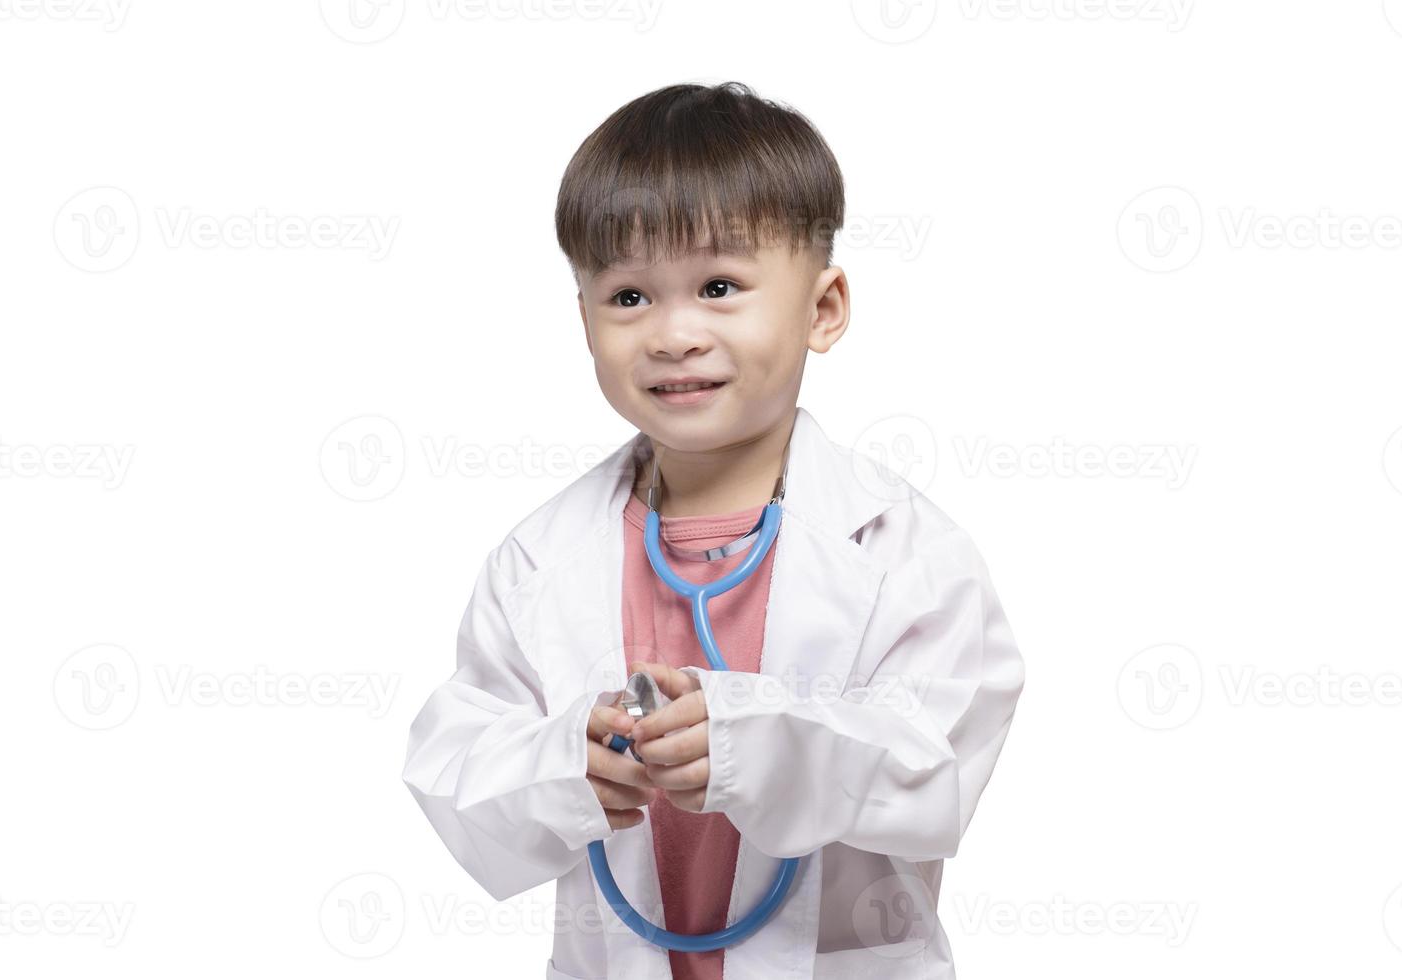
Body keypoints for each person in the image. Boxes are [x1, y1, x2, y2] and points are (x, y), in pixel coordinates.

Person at [402, 80, 1025, 980]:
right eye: (627, 297)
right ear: (582, 321)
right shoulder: (539, 561)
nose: (673, 333)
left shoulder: (904, 552)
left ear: (823, 308)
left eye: (720, 286)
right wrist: (562, 763)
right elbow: (455, 768)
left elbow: (935, 774)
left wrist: (753, 743)